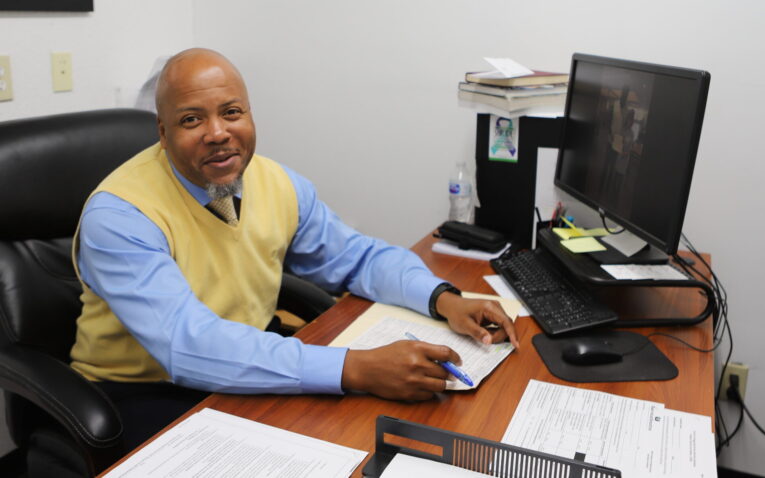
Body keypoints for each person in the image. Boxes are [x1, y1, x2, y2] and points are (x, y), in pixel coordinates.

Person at [70, 48, 518, 449]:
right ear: (162, 133)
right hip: (144, 390)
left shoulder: (276, 182)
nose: (218, 133)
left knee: (379, 437)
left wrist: (443, 299)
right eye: (192, 120)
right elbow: (187, 346)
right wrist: (356, 369)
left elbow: (357, 257)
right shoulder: (120, 216)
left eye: (232, 112)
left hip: (250, 357)